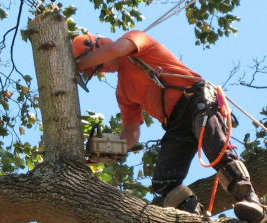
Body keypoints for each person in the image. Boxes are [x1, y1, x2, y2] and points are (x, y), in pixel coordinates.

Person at [71, 30, 266, 222]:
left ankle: (250, 199)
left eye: (96, 66)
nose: (101, 70)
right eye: (95, 72)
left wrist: (78, 65)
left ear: (98, 46)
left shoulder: (134, 40)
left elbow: (118, 48)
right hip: (175, 124)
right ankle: (193, 217)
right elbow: (132, 131)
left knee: (215, 148)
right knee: (164, 181)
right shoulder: (123, 91)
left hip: (195, 101)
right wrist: (111, 149)